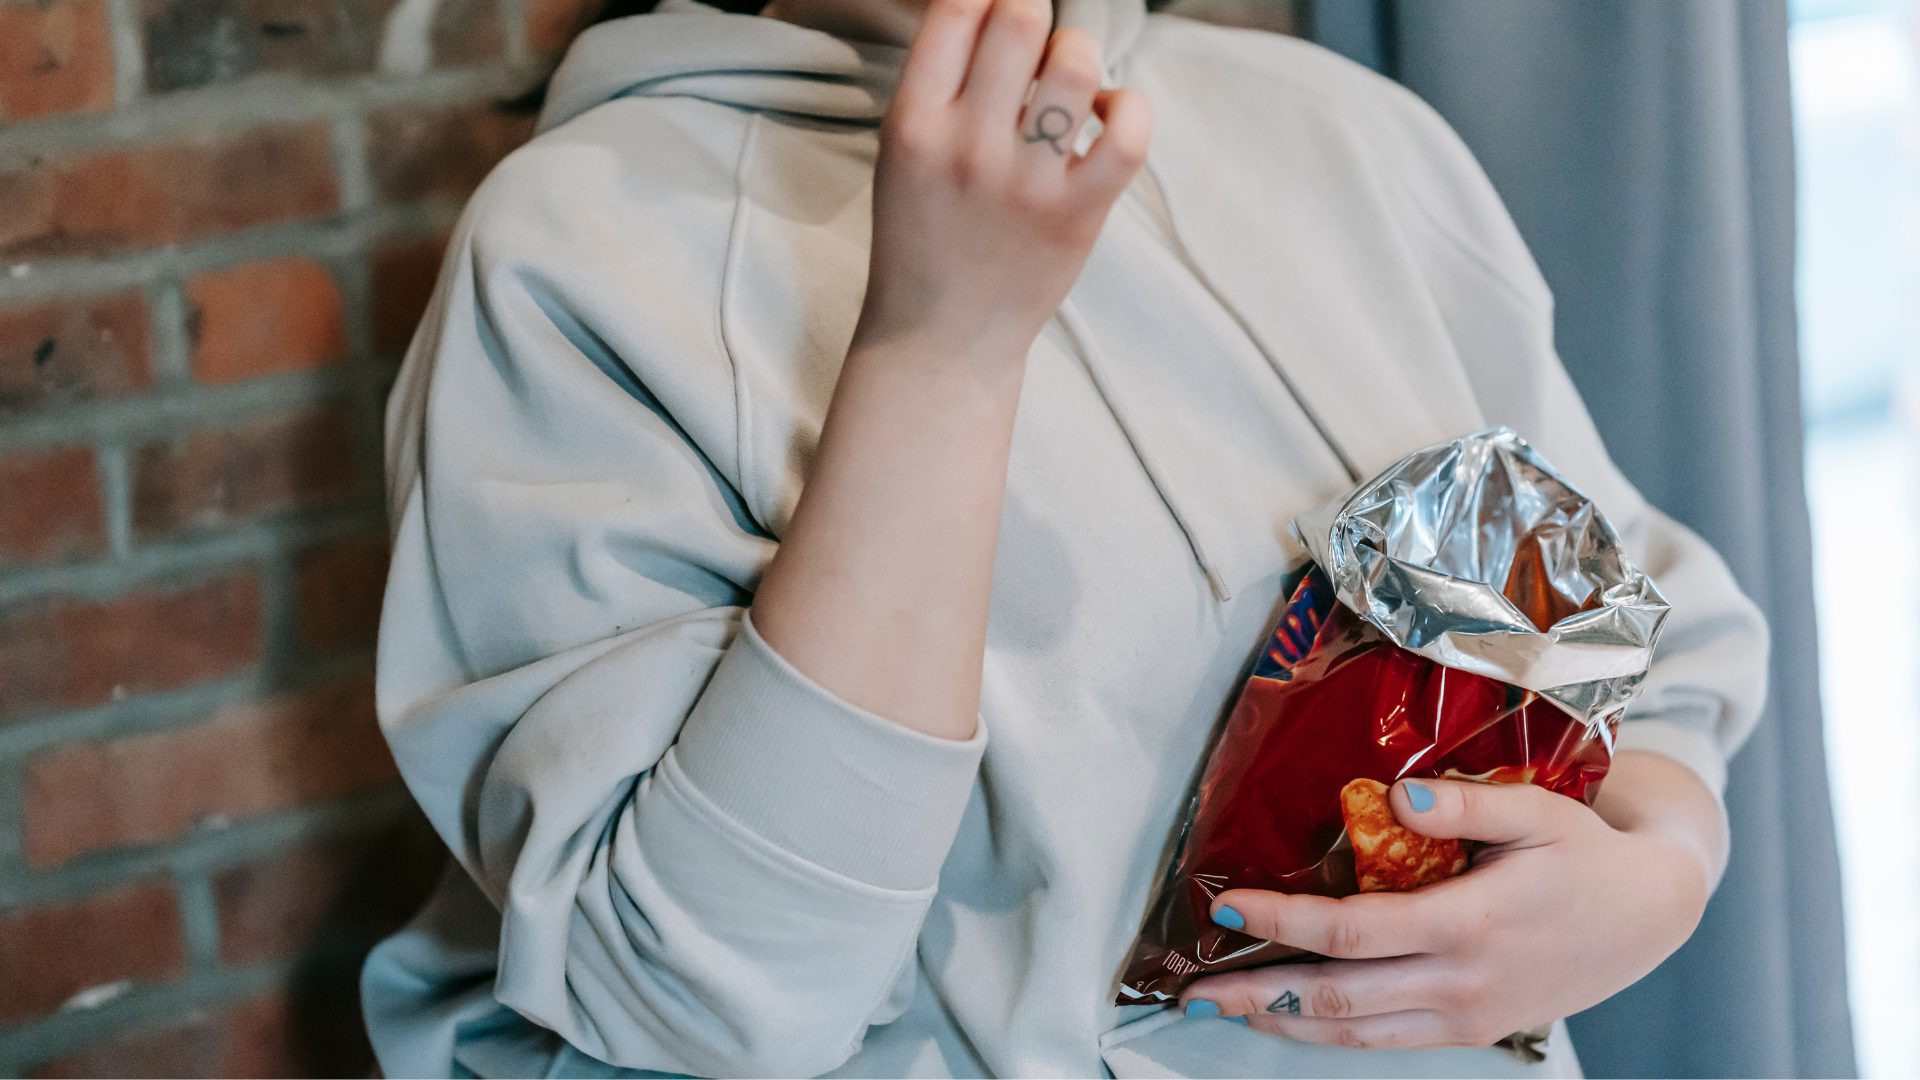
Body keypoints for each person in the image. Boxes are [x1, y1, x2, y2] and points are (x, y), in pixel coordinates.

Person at [358, 0, 1770, 1075]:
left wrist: (1660, 868)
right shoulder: (575, 259)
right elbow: (707, 999)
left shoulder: (1349, 137)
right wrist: (940, 349)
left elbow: (1649, 638)